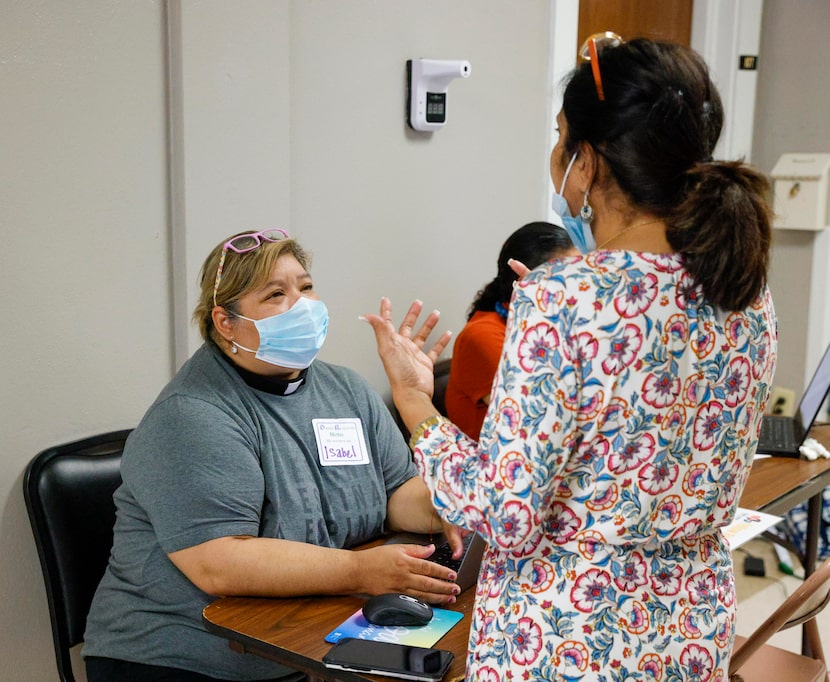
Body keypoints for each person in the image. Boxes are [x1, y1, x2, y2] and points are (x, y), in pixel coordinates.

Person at [363, 35, 778, 681]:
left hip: (572, 634)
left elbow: (505, 511)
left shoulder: (561, 298)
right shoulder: (745, 290)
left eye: (561, 136)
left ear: (588, 161)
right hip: (688, 626)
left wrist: (415, 400)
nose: (555, 154)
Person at [82, 229, 463, 682]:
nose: (302, 305)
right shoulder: (193, 413)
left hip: (301, 636)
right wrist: (361, 571)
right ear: (226, 322)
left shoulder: (345, 389)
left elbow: (396, 493)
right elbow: (219, 562)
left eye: (305, 287)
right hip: (179, 656)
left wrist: (449, 505)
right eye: (276, 294)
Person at [445, 221, 575, 439]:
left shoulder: (546, 326)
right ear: (523, 280)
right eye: (566, 277)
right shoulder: (482, 336)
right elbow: (539, 420)